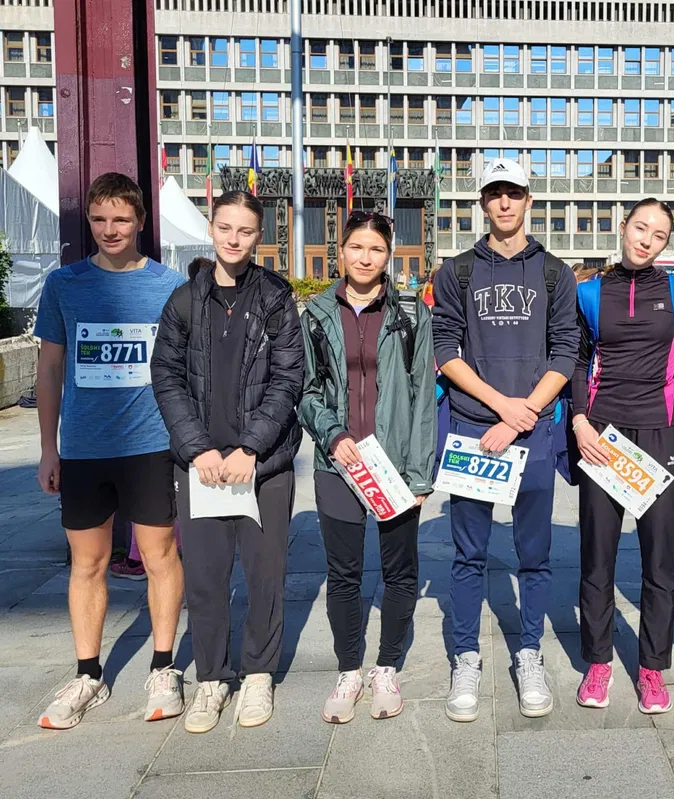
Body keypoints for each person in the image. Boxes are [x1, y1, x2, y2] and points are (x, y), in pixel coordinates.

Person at [33, 172, 187, 730]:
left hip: (150, 445)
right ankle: (88, 675)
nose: (109, 229)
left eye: (121, 218)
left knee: (160, 557)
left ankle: (165, 666)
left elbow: (183, 369)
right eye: (99, 219)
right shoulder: (64, 285)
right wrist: (48, 448)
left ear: (141, 222)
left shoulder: (169, 286)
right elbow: (50, 369)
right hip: (83, 448)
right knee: (88, 563)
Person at [151, 190, 305, 734]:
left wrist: (250, 449)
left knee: (266, 574)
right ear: (211, 229)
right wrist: (199, 450)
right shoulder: (184, 301)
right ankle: (212, 677)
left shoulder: (277, 298)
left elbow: (289, 379)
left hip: (263, 467)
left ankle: (259, 673)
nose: (234, 239)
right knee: (206, 576)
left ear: (258, 236)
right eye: (225, 228)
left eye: (245, 231)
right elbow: (166, 378)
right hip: (202, 467)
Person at [432, 158, 580, 722]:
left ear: (528, 200)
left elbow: (565, 351)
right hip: (476, 431)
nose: (504, 203)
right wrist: (503, 409)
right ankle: (466, 656)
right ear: (482, 203)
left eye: (513, 193)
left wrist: (524, 414)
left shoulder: (554, 273)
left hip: (535, 432)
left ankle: (529, 653)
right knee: (469, 554)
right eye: (494, 194)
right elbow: (446, 351)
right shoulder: (459, 272)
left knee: (534, 556)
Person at [298, 211, 437, 724]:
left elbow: (424, 397)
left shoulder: (409, 313)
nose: (364, 257)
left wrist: (421, 473)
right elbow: (306, 390)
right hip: (339, 466)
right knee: (344, 573)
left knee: (400, 571)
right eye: (356, 247)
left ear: (389, 255)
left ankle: (386, 667)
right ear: (341, 250)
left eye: (375, 249)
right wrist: (333, 437)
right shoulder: (314, 313)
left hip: (394, 464)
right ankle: (350, 669)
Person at [572, 199, 674, 715]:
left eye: (659, 235)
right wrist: (579, 421)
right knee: (597, 556)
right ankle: (598, 662)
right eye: (640, 228)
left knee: (659, 560)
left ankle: (651, 669)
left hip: (661, 434)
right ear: (622, 227)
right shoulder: (589, 292)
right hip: (603, 434)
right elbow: (575, 360)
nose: (646, 239)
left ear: (667, 244)